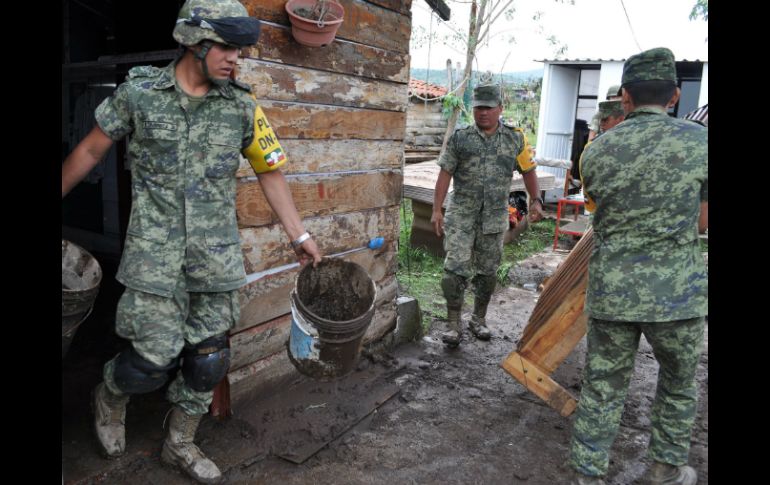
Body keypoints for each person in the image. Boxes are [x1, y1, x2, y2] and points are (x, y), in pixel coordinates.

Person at [61, 1, 322, 482]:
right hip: (153, 258)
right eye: (226, 47)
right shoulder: (140, 95)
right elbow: (91, 149)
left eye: (240, 49)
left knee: (209, 360)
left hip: (214, 257)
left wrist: (299, 234)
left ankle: (180, 443)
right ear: (193, 42)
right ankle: (110, 395)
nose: (235, 58)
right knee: (149, 362)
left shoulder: (242, 106)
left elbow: (270, 171)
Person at [569, 47, 708, 485]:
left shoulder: (597, 152)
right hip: (678, 295)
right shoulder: (700, 143)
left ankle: (588, 474)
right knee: (678, 381)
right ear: (675, 94)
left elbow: (598, 209)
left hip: (614, 291)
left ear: (625, 96)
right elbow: (703, 220)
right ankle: (665, 468)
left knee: (603, 386)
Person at [431, 83, 544, 347]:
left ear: (500, 109)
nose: (483, 113)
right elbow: (445, 173)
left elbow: (529, 171)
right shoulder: (461, 138)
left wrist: (536, 200)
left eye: (489, 108)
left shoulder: (515, 138)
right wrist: (437, 209)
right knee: (453, 270)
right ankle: (453, 323)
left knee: (488, 273)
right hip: (461, 216)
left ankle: (478, 319)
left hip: (493, 219)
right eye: (479, 107)